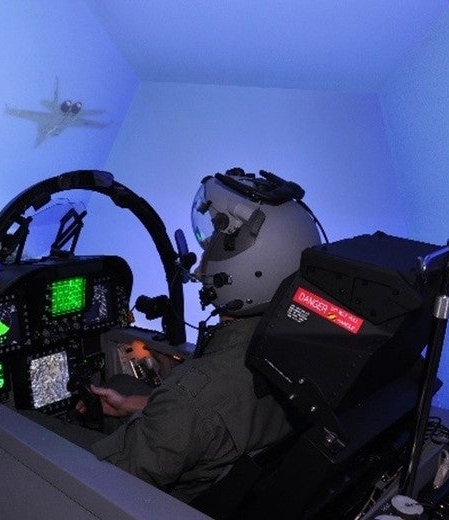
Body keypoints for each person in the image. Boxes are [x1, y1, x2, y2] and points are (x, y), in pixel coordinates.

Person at [77, 169, 323, 504]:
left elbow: (104, 487)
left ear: (246, 270)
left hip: (172, 500)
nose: (205, 256)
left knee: (33, 425)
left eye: (216, 245)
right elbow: (218, 416)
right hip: (230, 476)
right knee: (121, 387)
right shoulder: (305, 345)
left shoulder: (189, 396)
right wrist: (140, 406)